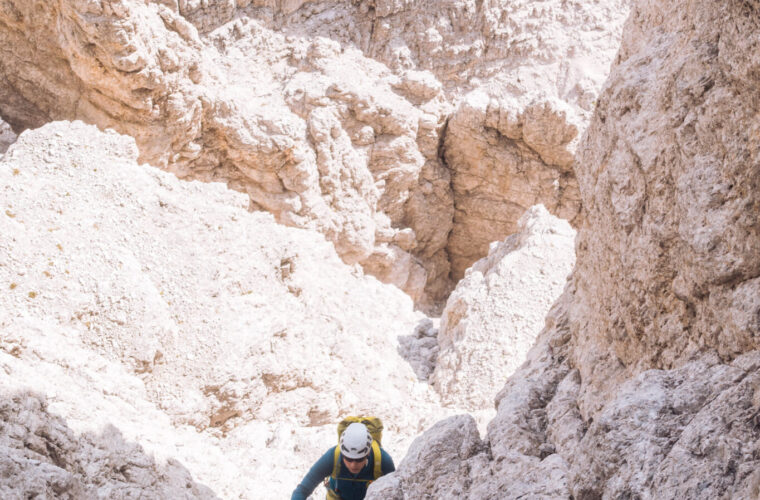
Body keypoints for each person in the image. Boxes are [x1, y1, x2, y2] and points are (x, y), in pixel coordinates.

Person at [291, 422, 395, 500]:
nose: (353, 465)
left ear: (367, 454)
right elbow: (303, 489)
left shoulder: (382, 461)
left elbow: (396, 492)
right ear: (342, 454)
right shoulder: (332, 457)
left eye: (359, 459)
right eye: (348, 459)